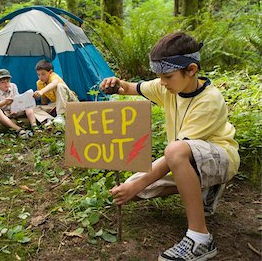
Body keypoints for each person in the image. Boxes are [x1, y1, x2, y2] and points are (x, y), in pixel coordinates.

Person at [100, 32, 239, 261]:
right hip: (187, 158)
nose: (162, 83)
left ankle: (200, 239)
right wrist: (116, 85)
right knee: (132, 188)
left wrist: (143, 181)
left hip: (221, 158)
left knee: (171, 154)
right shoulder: (169, 87)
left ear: (192, 70)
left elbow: (177, 151)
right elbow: (130, 88)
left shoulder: (209, 101)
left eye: (167, 76)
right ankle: (202, 189)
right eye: (159, 76)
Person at [0, 69, 40, 138]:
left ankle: (34, 126)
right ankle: (18, 129)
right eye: (3, 82)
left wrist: (16, 109)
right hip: (4, 112)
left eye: (8, 81)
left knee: (27, 104)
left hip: (15, 110)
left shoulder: (13, 86)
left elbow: (17, 99)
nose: (6, 84)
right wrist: (5, 102)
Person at [32, 59, 78, 125]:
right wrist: (45, 108)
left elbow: (54, 83)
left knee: (59, 86)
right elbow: (44, 100)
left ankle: (60, 115)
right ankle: (49, 120)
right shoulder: (39, 83)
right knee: (34, 109)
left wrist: (41, 91)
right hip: (56, 104)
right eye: (38, 75)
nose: (40, 77)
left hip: (69, 100)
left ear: (50, 72)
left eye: (43, 74)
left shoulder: (54, 76)